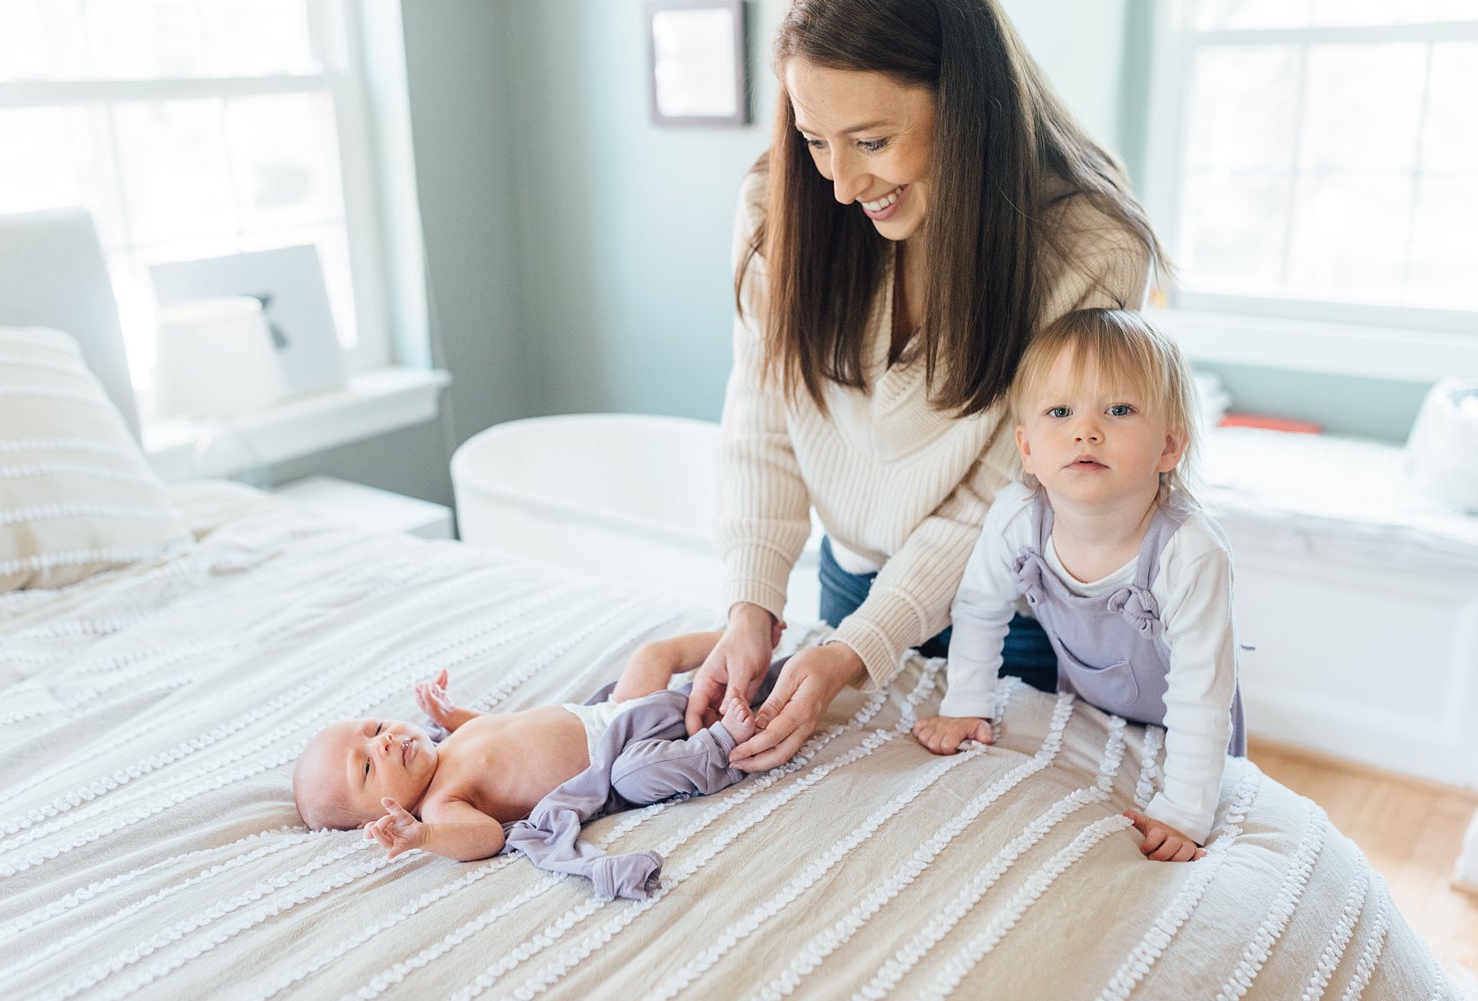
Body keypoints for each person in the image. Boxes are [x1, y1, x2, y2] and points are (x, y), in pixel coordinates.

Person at [679, 0, 1169, 772]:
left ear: (967, 103)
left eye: (872, 141)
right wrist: (752, 606)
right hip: (856, 575)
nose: (840, 184)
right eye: (815, 140)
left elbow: (1003, 493)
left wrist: (855, 651)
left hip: (1016, 607)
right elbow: (763, 421)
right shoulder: (779, 208)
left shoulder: (1089, 248)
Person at [914, 308, 1244, 863]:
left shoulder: (1190, 553)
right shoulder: (1018, 516)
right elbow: (979, 606)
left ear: (1168, 446)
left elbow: (1202, 696)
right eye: (1060, 411)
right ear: (1027, 447)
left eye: (1118, 410)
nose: (1085, 430)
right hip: (1088, 707)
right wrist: (966, 701)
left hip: (1185, 727)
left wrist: (1184, 813)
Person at [291, 631, 767, 900]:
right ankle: (724, 741)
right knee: (639, 777)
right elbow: (488, 837)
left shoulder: (450, 741)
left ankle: (740, 640)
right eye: (369, 768)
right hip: (614, 761)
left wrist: (450, 715)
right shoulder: (440, 805)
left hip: (611, 712)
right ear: (379, 817)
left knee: (652, 653)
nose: (386, 742)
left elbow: (498, 728)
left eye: (375, 729)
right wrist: (425, 839)